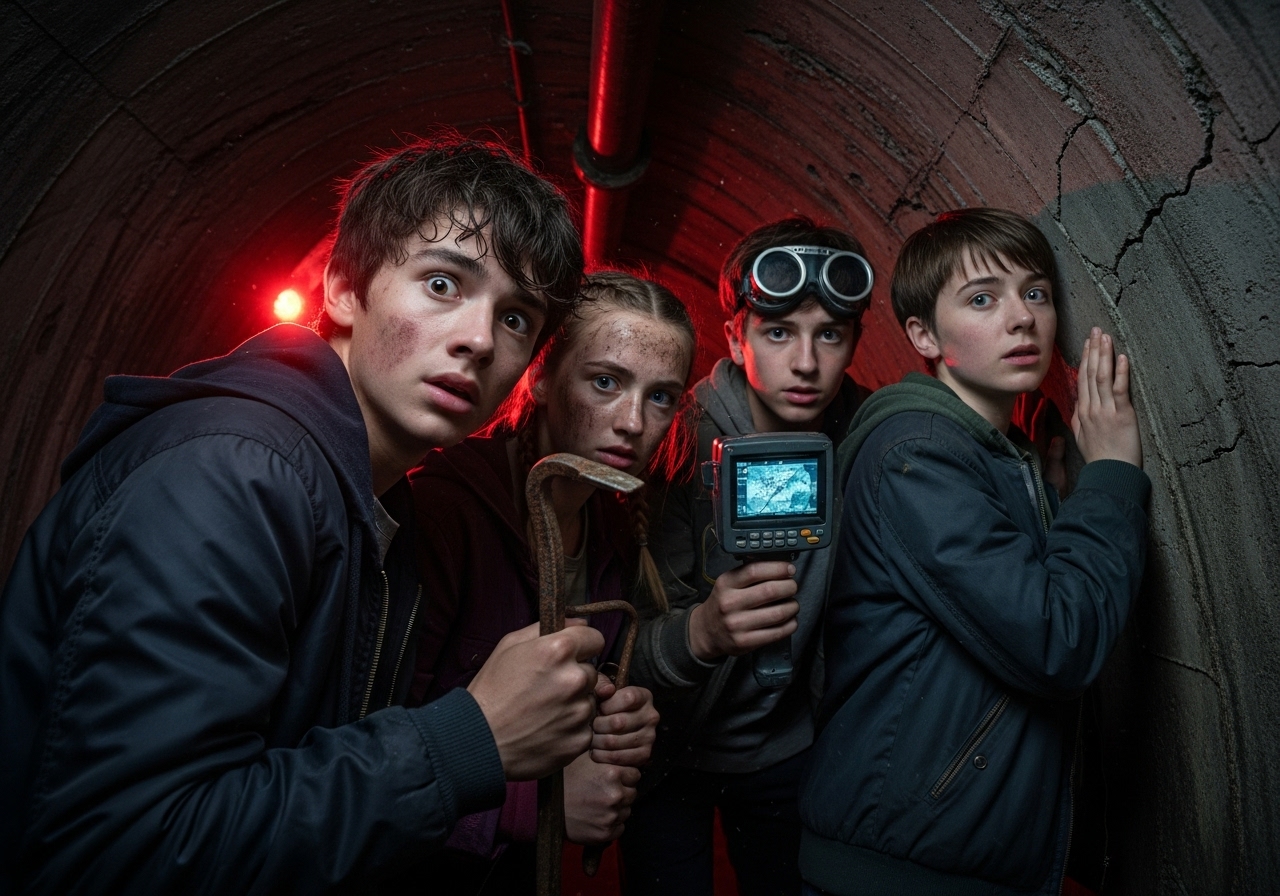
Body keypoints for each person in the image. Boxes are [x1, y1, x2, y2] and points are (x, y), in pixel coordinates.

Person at [0, 134, 616, 894]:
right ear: (344, 290)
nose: (479, 339)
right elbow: (119, 855)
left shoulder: (378, 505)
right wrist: (468, 742)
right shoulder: (232, 475)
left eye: (517, 317)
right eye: (443, 285)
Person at [798, 208, 1149, 896]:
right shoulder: (917, 455)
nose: (1021, 318)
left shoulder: (994, 455)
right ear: (923, 335)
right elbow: (1057, 639)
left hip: (943, 858)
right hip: (899, 870)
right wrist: (1110, 476)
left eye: (1036, 292)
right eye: (983, 298)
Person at [404, 270, 695, 892]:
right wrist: (540, 807)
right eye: (606, 382)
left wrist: (610, 726)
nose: (633, 421)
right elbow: (370, 751)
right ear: (540, 377)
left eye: (662, 396)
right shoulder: (445, 511)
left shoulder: (613, 531)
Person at [622, 218, 876, 895]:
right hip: (669, 754)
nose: (805, 363)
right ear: (734, 336)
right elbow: (614, 644)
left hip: (788, 750)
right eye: (777, 331)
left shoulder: (871, 439)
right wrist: (700, 632)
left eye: (829, 335)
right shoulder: (671, 441)